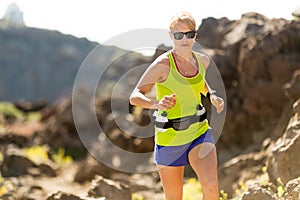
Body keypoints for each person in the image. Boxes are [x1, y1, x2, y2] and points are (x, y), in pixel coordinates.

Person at [129, 11, 224, 200]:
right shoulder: (162, 64)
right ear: (171, 36)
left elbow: (199, 82)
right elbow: (135, 96)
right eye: (179, 35)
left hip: (199, 131)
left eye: (189, 34)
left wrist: (211, 94)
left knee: (211, 186)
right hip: (170, 139)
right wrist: (156, 103)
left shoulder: (202, 61)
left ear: (195, 35)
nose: (184, 39)